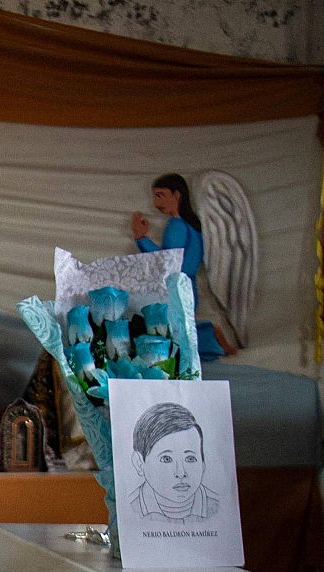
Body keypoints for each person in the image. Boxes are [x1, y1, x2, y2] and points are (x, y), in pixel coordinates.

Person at [131, 173, 229, 359]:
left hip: (178, 286)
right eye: (155, 196)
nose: (156, 202)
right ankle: (210, 336)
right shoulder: (191, 225)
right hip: (186, 285)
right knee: (177, 329)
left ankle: (211, 337)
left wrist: (141, 238)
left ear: (176, 195)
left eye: (160, 195)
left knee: (174, 333)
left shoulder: (177, 226)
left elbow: (167, 261)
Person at [128, 401, 219, 523]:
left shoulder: (218, 507)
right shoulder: (128, 509)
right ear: (139, 463)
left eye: (190, 458)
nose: (181, 473)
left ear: (203, 463)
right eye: (166, 459)